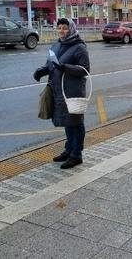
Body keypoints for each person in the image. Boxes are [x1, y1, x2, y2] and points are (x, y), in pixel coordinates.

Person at [33, 18, 90, 169]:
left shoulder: (79, 47)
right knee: (67, 120)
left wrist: (65, 67)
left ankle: (76, 155)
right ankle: (69, 149)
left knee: (76, 122)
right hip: (58, 89)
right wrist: (42, 71)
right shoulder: (56, 45)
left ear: (71, 29)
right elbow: (51, 65)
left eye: (65, 28)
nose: (61, 31)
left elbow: (85, 69)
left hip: (73, 90)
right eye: (59, 28)